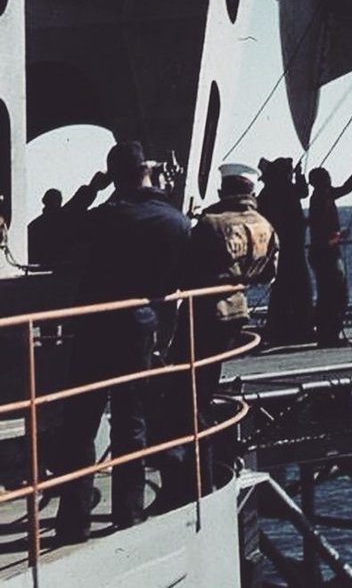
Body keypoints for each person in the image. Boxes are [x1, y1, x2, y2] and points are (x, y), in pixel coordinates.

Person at [54, 141, 190, 544]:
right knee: (131, 424)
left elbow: (60, 228)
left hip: (96, 329)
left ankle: (74, 522)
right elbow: (176, 278)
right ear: (147, 170)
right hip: (140, 329)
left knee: (80, 424)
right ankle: (128, 513)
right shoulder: (174, 219)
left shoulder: (108, 215)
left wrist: (92, 189)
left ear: (115, 175)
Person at [158, 163, 278, 505]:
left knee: (189, 397)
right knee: (203, 389)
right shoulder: (264, 224)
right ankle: (203, 477)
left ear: (224, 190)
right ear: (251, 191)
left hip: (205, 313)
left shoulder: (210, 224)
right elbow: (269, 271)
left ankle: (197, 481)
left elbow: (184, 270)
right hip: (237, 313)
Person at [307, 157, 352, 346]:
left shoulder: (322, 195)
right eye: (326, 178)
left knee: (329, 295)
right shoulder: (322, 199)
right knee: (336, 295)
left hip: (322, 253)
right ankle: (329, 336)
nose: (330, 180)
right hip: (327, 254)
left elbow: (346, 188)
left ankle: (328, 335)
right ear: (322, 182)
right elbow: (324, 234)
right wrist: (340, 236)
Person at [258, 156, 313, 345]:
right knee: (301, 289)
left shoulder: (267, 193)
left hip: (278, 248)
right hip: (293, 248)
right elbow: (303, 192)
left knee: (281, 289)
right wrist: (300, 175)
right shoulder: (287, 189)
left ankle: (277, 328)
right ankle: (301, 328)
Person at [28, 173, 110, 268]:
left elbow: (77, 203)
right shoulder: (62, 218)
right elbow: (77, 203)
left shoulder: (34, 226)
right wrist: (93, 187)